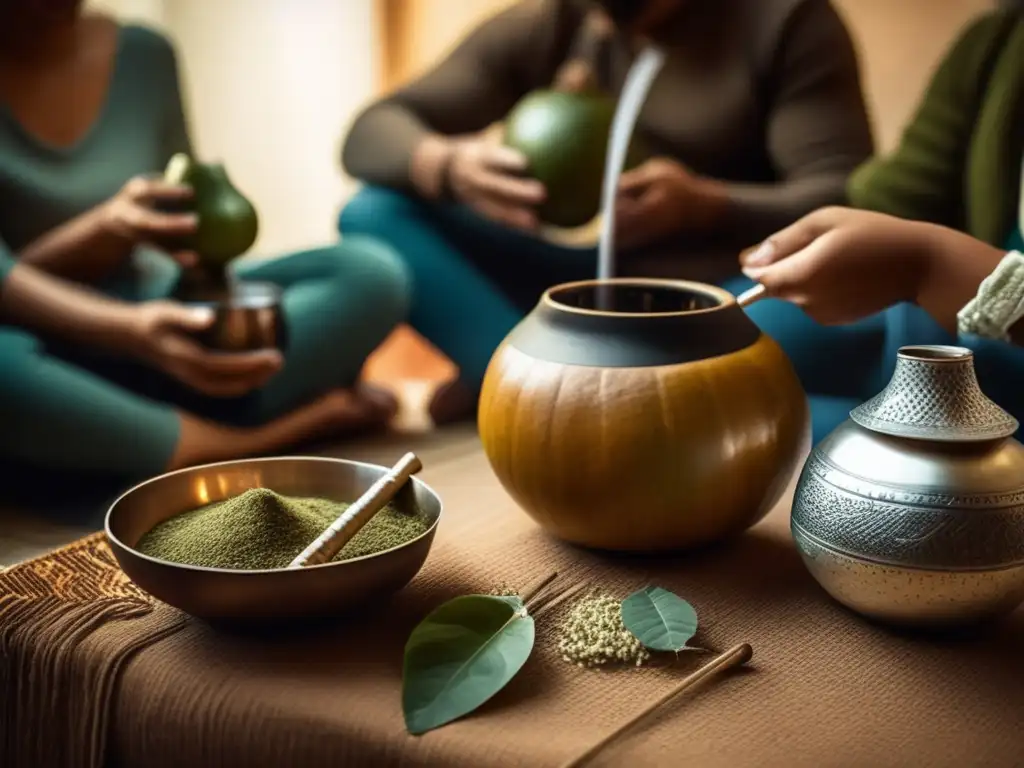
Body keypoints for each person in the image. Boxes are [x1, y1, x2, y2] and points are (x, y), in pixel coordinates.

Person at [338, 0, 874, 423]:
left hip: (713, 295)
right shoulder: (551, 21)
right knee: (375, 216)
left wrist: (708, 207)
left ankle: (521, 379)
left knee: (826, 333)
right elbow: (370, 133)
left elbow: (842, 196)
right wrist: (448, 166)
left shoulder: (785, 20)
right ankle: (535, 389)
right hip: (567, 277)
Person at [0, 1, 410, 481]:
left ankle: (126, 432)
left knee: (370, 273)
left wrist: (214, 296)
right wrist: (117, 298)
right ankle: (258, 438)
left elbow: (185, 214)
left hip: (163, 320)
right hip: (38, 344)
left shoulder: (144, 53)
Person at [733, 3, 1024, 441]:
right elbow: (895, 198)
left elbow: (914, 254)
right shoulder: (1002, 42)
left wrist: (930, 266)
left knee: (762, 427)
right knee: (731, 351)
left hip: (992, 377)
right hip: (946, 339)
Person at [740, 207, 1024, 427]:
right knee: (740, 354)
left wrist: (932, 265)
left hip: (1001, 355)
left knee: (769, 424)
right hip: (910, 311)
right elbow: (892, 192)